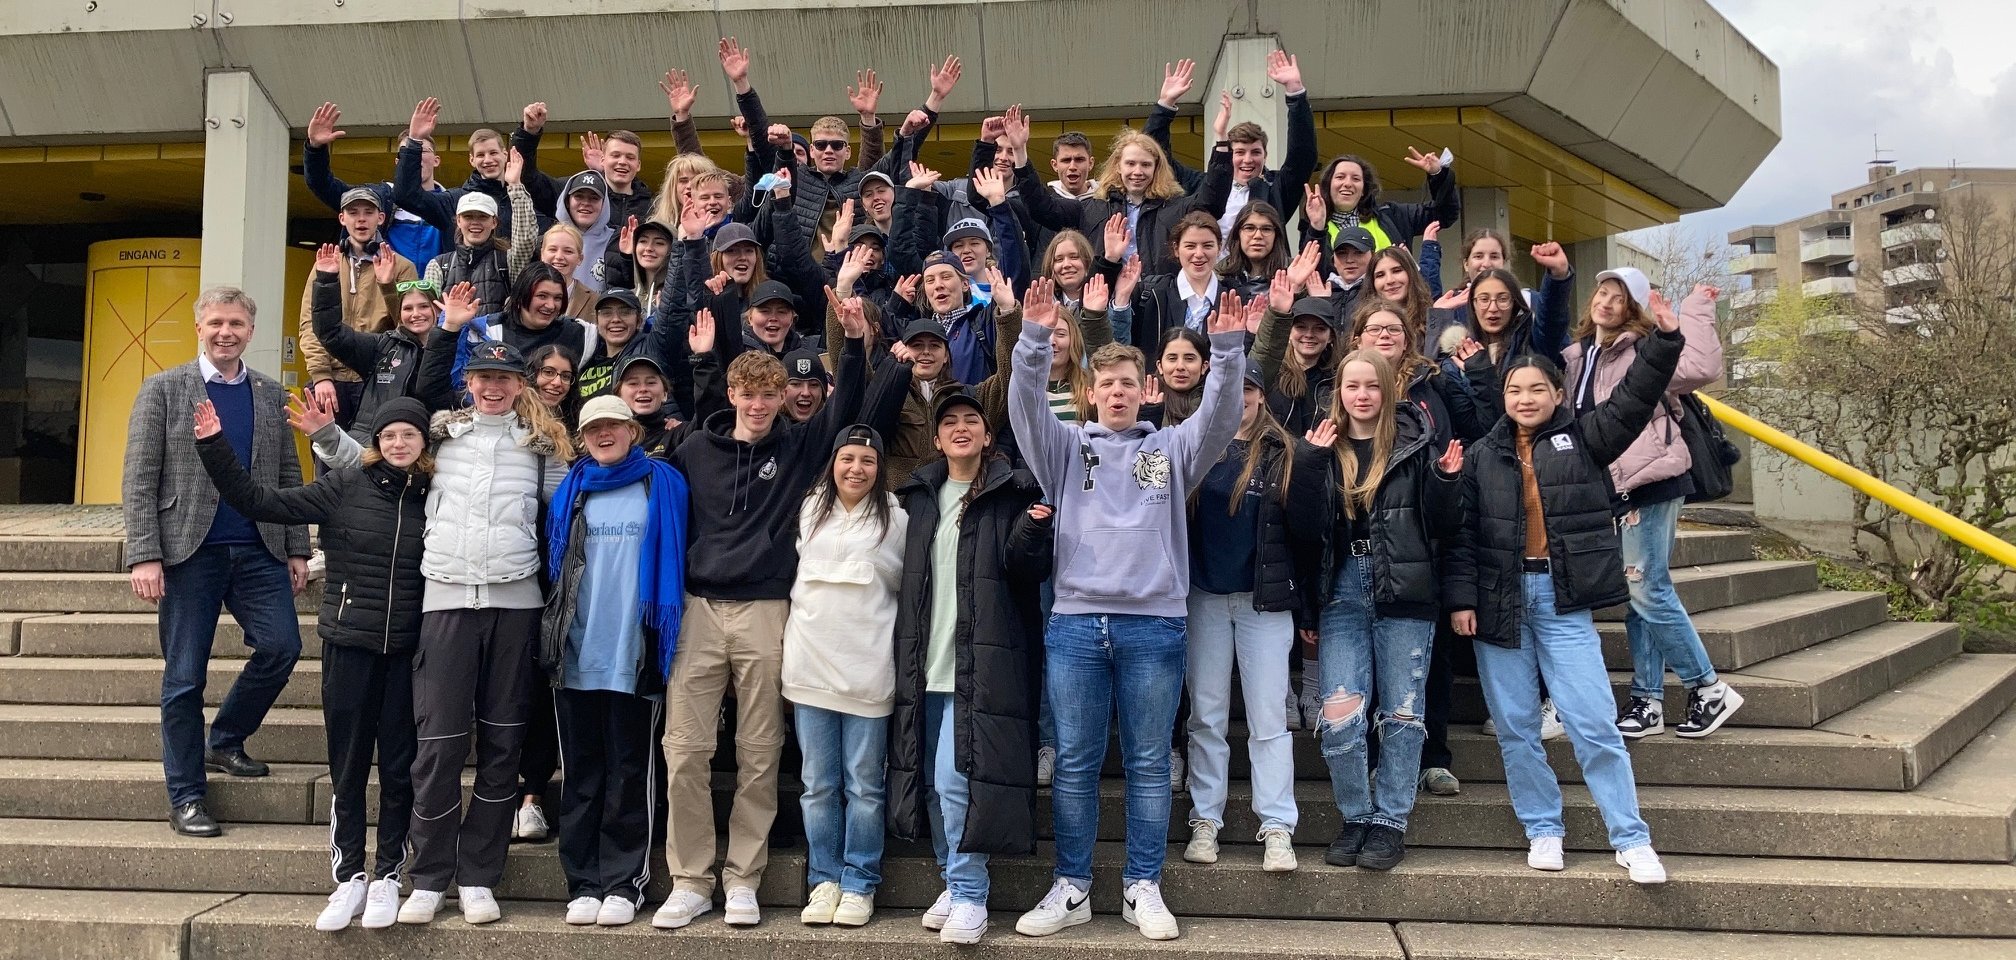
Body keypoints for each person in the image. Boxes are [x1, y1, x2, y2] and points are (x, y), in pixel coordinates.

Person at [1008, 280, 1247, 942]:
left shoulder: (1167, 452)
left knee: (1146, 762)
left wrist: (1227, 351)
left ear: (1146, 390)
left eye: (1126, 382)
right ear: (1090, 390)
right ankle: (1073, 885)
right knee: (1078, 761)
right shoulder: (1064, 448)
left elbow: (1221, 419)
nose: (1115, 391)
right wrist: (1031, 340)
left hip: (1154, 626)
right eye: (1104, 381)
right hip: (1078, 625)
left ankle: (1143, 884)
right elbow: (1025, 408)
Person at [1445, 289, 1692, 886]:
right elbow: (1462, 535)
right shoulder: (1481, 455)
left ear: (1558, 395)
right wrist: (1461, 601)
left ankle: (1631, 838)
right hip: (1499, 605)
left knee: (1592, 722)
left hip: (1561, 601)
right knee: (1516, 727)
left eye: (1537, 390)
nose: (1524, 399)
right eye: (1514, 390)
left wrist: (1663, 342)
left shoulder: (1584, 439)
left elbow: (1633, 401)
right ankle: (1542, 827)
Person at [649, 292, 872, 931]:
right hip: (698, 609)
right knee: (685, 751)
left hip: (767, 611)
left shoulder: (801, 449)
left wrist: (854, 343)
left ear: (780, 400)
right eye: (747, 395)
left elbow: (844, 407)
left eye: (768, 396)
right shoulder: (695, 450)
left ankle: (743, 877)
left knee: (760, 749)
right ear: (733, 395)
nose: (757, 405)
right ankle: (690, 878)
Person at [194, 395, 432, 932]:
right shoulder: (345, 484)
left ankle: (389, 874)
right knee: (348, 766)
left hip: (409, 650)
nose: (398, 444)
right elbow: (259, 501)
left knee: (398, 767)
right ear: (375, 442)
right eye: (389, 435)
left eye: (409, 436)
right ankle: (348, 875)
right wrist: (214, 445)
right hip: (349, 642)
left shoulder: (433, 496)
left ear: (423, 445)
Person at [401, 306, 574, 926]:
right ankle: (427, 875)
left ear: (520, 386)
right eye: (482, 379)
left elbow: (573, 509)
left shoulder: (541, 449)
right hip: (445, 598)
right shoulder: (440, 440)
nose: (493, 388)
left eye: (504, 380)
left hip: (516, 601)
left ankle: (479, 874)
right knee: (440, 744)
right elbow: (380, 463)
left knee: (503, 744)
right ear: (468, 382)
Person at [123, 287, 310, 841]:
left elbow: (287, 478)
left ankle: (225, 739)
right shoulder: (162, 390)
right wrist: (145, 555)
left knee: (282, 647)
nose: (226, 332)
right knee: (184, 679)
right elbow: (138, 479)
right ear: (199, 327)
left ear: (251, 332)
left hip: (259, 550)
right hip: (187, 553)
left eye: (237, 323)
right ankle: (186, 796)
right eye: (216, 323)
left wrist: (297, 546)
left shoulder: (271, 394)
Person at [888, 389, 1051, 945]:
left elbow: (1026, 571)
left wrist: (1033, 532)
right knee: (933, 786)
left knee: (956, 783)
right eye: (949, 422)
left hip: (978, 663)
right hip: (923, 661)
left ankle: (970, 893)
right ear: (935, 439)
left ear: (987, 435)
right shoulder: (919, 496)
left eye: (971, 421)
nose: (961, 428)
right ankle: (951, 879)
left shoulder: (1013, 492)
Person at [1290, 349, 1462, 871]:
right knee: (1341, 718)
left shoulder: (1416, 444)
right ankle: (1355, 815)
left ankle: (1390, 821)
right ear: (1338, 393)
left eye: (1372, 386)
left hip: (1404, 591)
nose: (1361, 395)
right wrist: (1310, 464)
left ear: (1388, 391)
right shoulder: (1321, 445)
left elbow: (1441, 526)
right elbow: (1301, 528)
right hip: (1341, 591)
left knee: (1404, 716)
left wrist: (1448, 483)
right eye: (1351, 386)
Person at [1562, 270, 1741, 739]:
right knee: (1636, 595)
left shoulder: (1644, 349)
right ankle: (1647, 700)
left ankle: (1708, 686)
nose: (1606, 302)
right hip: (1611, 491)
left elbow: (1701, 369)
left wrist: (1694, 311)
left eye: (1619, 299)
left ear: (1632, 310)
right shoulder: (1577, 357)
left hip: (1652, 481)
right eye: (1602, 292)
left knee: (1648, 588)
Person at [540, 395, 689, 928]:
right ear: (582, 437)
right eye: (593, 428)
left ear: (633, 430)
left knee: (630, 770)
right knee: (581, 771)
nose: (603, 435)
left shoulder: (662, 484)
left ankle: (625, 882)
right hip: (575, 650)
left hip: (635, 651)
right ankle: (582, 883)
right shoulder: (572, 490)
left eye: (613, 426)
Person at [1180, 360, 1303, 873]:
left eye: (1249, 390)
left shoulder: (1285, 451)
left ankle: (1276, 825)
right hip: (1203, 595)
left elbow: (1303, 530)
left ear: (1261, 395)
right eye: (1231, 390)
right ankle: (1205, 818)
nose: (1241, 398)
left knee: (1268, 717)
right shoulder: (1191, 445)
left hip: (1263, 601)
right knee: (1206, 715)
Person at [782, 425, 908, 928]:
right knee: (816, 785)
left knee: (863, 786)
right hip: (809, 665)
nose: (856, 469)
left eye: (868, 461)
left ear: (880, 469)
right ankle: (824, 879)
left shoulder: (896, 518)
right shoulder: (809, 509)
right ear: (833, 462)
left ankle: (859, 881)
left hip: (868, 668)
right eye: (847, 458)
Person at [1009, 103, 1230, 276]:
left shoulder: (1174, 207)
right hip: (1107, 302)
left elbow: (1211, 203)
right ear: (1118, 166)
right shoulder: (1091, 209)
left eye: (1145, 165)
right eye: (1131, 164)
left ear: (1157, 168)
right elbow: (1042, 207)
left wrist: (1221, 142)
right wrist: (1019, 152)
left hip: (1158, 302)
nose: (1138, 171)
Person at [1147, 51, 1318, 243]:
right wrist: (1165, 105)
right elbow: (1155, 155)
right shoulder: (1201, 185)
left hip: (1261, 272)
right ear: (1227, 155)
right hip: (1206, 270)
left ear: (1265, 156)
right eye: (1239, 152)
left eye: (1255, 152)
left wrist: (1295, 93)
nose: (1247, 160)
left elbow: (1302, 156)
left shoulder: (1276, 189)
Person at [296, 188, 418, 431]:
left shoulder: (402, 267)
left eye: (368, 212)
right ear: (342, 219)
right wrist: (321, 375)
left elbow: (409, 330)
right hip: (330, 381)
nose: (361, 219)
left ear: (380, 218)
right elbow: (310, 323)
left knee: (374, 458)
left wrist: (387, 287)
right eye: (353, 212)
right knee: (327, 460)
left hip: (377, 380)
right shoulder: (327, 264)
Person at [304, 244, 438, 452]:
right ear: (399, 312)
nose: (416, 314)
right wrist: (326, 281)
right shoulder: (382, 346)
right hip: (373, 447)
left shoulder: (449, 351)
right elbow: (330, 333)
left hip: (424, 451)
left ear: (436, 310)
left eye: (423, 307)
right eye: (407, 308)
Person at [303, 100, 444, 267]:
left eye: (423, 151)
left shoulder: (452, 204)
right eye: (408, 152)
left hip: (438, 291)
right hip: (385, 290)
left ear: (436, 160)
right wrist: (315, 148)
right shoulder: (378, 197)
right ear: (398, 161)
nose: (416, 157)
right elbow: (322, 185)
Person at [1301, 145, 1458, 259]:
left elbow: (1445, 214)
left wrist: (1438, 175)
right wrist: (1316, 228)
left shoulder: (1393, 216)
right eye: (1340, 177)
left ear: (1364, 189)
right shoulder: (1314, 227)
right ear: (1328, 185)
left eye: (1356, 178)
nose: (1347, 183)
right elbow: (1313, 273)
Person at [423, 192, 513, 318]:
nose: (475, 222)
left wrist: (516, 187)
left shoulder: (507, 260)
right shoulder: (438, 265)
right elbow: (426, 312)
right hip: (451, 336)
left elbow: (526, 241)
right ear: (458, 221)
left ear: (494, 222)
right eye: (468, 216)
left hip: (497, 337)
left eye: (483, 216)